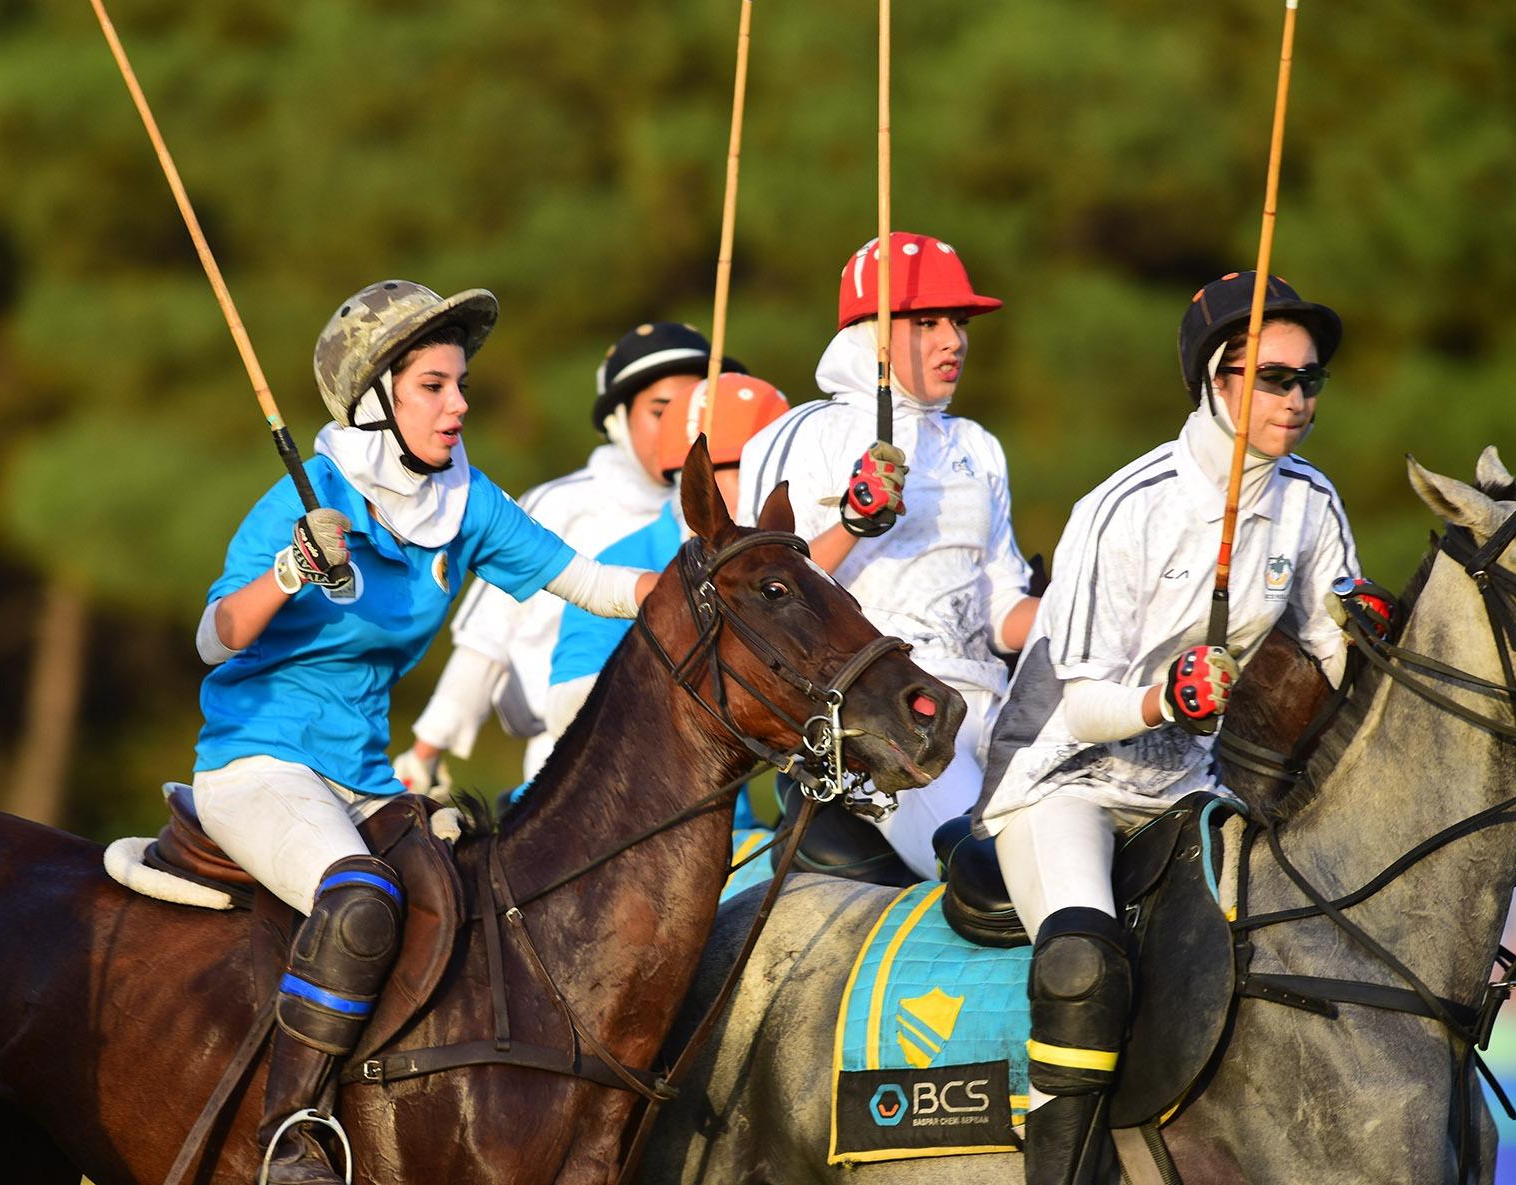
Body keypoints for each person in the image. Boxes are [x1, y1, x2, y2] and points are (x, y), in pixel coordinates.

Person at [192, 279, 660, 1185]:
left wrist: (726, 575)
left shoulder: (463, 501)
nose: (459, 405)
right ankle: (292, 1130)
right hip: (259, 761)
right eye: (434, 387)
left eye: (461, 385)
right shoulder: (310, 493)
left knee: (484, 897)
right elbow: (214, 638)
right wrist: (290, 568)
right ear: (376, 401)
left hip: (364, 776)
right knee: (361, 900)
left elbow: (598, 585)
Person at [974, 272, 1359, 1185]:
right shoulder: (1124, 505)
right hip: (1060, 777)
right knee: (1085, 959)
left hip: (1189, 787)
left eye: (1309, 381)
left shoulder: (1310, 503)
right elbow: (1076, 697)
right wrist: (1165, 695)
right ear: (1213, 381)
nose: (1296, 399)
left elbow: (1335, 654)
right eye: (1272, 377)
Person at [736, 233, 1036, 876]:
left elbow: (1001, 608)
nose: (953, 341)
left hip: (990, 706)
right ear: (869, 335)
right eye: (927, 323)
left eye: (958, 322)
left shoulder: (977, 444)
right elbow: (759, 593)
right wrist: (851, 523)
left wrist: (1081, 609)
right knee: (1002, 875)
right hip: (879, 711)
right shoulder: (802, 433)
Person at [396, 323, 741, 795]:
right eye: (662, 410)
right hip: (568, 756)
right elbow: (486, 641)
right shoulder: (563, 504)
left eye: (698, 409)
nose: (683, 427)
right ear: (617, 419)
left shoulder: (726, 518)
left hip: (697, 763)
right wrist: (425, 752)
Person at [544, 372, 790, 731]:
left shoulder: (786, 566)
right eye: (751, 473)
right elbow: (565, 709)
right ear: (700, 481)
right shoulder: (621, 563)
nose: (769, 490)